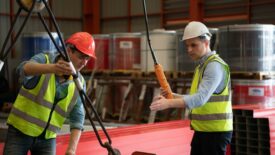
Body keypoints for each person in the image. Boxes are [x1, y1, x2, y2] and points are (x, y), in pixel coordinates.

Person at [3, 32, 96, 155]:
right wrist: (52, 68)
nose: (84, 62)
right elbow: (22, 69)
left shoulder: (79, 82)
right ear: (69, 51)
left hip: (48, 138)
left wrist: (71, 150)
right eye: (81, 56)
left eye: (87, 58)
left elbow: (77, 118)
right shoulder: (44, 60)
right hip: (20, 131)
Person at [150, 21, 233, 155]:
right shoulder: (202, 66)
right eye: (187, 45)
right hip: (203, 131)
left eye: (193, 45)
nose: (189, 50)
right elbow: (195, 97)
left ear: (206, 43)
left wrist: (169, 103)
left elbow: (200, 99)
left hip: (215, 133)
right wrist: (172, 95)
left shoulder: (214, 66)